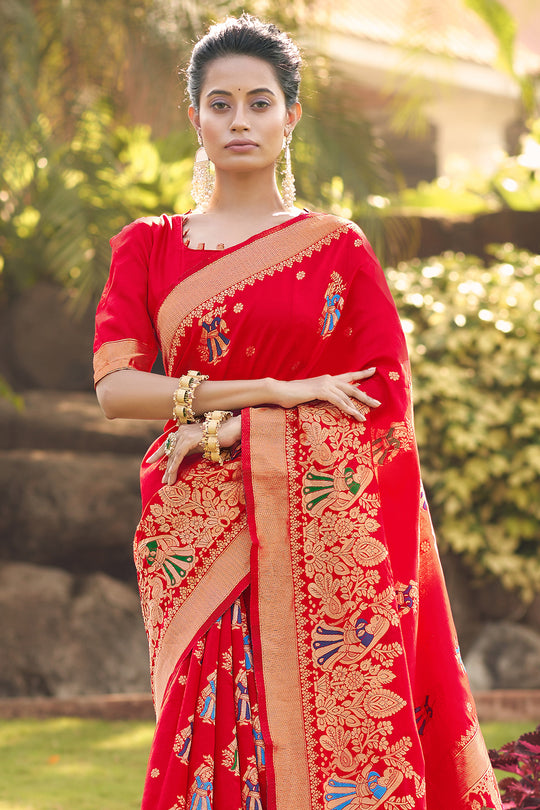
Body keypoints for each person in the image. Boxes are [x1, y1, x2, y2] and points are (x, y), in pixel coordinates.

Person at [93, 15, 501, 810]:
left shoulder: (336, 251)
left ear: (291, 117)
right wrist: (269, 396)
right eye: (220, 104)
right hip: (199, 533)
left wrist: (237, 432)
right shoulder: (149, 246)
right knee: (204, 725)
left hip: (315, 525)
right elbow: (116, 391)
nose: (239, 121)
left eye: (258, 102)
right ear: (196, 120)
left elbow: (381, 405)